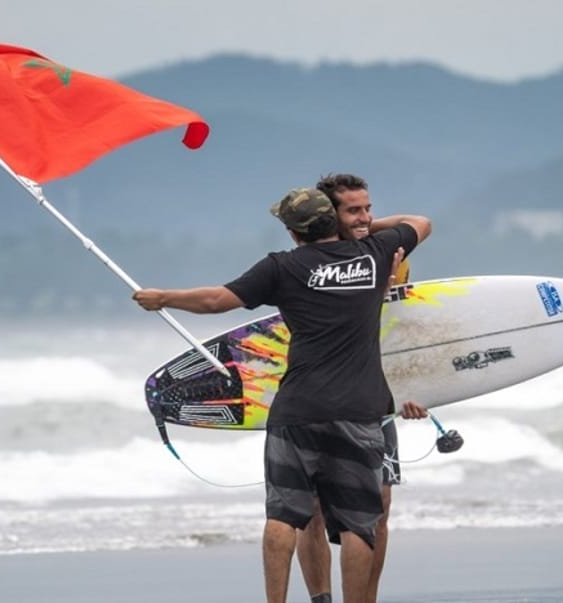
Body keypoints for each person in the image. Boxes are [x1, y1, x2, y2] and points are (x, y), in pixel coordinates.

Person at [133, 187, 431, 603]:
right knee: (358, 524)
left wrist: (164, 298)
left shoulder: (282, 267)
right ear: (333, 220)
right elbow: (420, 223)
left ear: (293, 233)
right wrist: (367, 228)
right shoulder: (375, 253)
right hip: (358, 410)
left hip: (297, 410)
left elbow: (217, 300)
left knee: (283, 515)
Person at [295, 173, 428, 603]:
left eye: (367, 208)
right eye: (353, 210)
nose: (365, 217)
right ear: (326, 215)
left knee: (379, 508)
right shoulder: (307, 262)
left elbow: (400, 327)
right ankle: (320, 599)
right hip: (318, 397)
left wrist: (415, 388)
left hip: (375, 395)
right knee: (312, 509)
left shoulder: (383, 250)